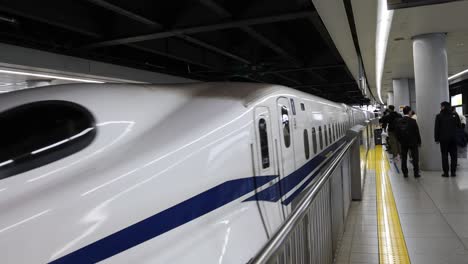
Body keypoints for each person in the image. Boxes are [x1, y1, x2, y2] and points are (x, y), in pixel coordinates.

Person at [435, 101, 461, 177]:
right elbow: (459, 126)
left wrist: (436, 139)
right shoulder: (455, 115)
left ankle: (446, 173)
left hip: (443, 140)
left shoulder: (439, 116)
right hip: (453, 139)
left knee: (444, 156)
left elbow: (437, 128)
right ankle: (453, 172)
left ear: (443, 107)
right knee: (454, 156)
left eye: (441, 106)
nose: (440, 107)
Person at [395, 106, 421, 178]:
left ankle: (405, 173)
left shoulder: (399, 121)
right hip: (413, 142)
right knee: (415, 157)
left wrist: (400, 140)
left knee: (404, 158)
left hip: (403, 142)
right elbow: (417, 132)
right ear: (409, 112)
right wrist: (419, 141)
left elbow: (397, 133)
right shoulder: (413, 121)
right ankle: (416, 173)